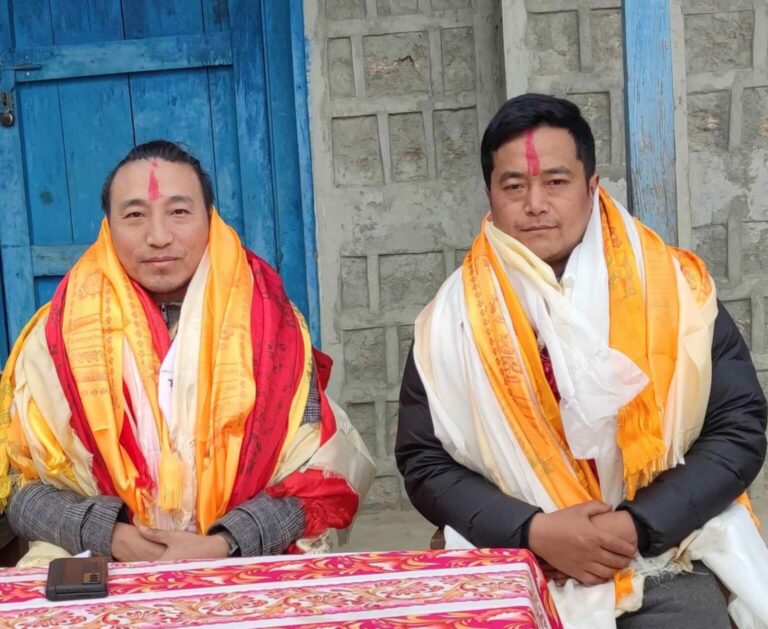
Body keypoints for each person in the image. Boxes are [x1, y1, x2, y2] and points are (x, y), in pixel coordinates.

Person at [396, 94, 768, 628]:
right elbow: (425, 461)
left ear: (592, 187)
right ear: (490, 195)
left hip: (666, 549)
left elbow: (737, 427)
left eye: (556, 182)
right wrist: (533, 530)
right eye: (514, 186)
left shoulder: (675, 292)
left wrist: (636, 526)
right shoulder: (450, 322)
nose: (535, 204)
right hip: (512, 554)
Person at [0, 140, 374, 566]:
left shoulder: (271, 327)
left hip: (241, 556)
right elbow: (20, 490)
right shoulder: (57, 338)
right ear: (108, 226)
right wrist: (111, 534)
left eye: (179, 212)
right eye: (135, 215)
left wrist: (225, 542)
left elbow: (315, 475)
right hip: (100, 558)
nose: (159, 237)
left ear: (210, 219)